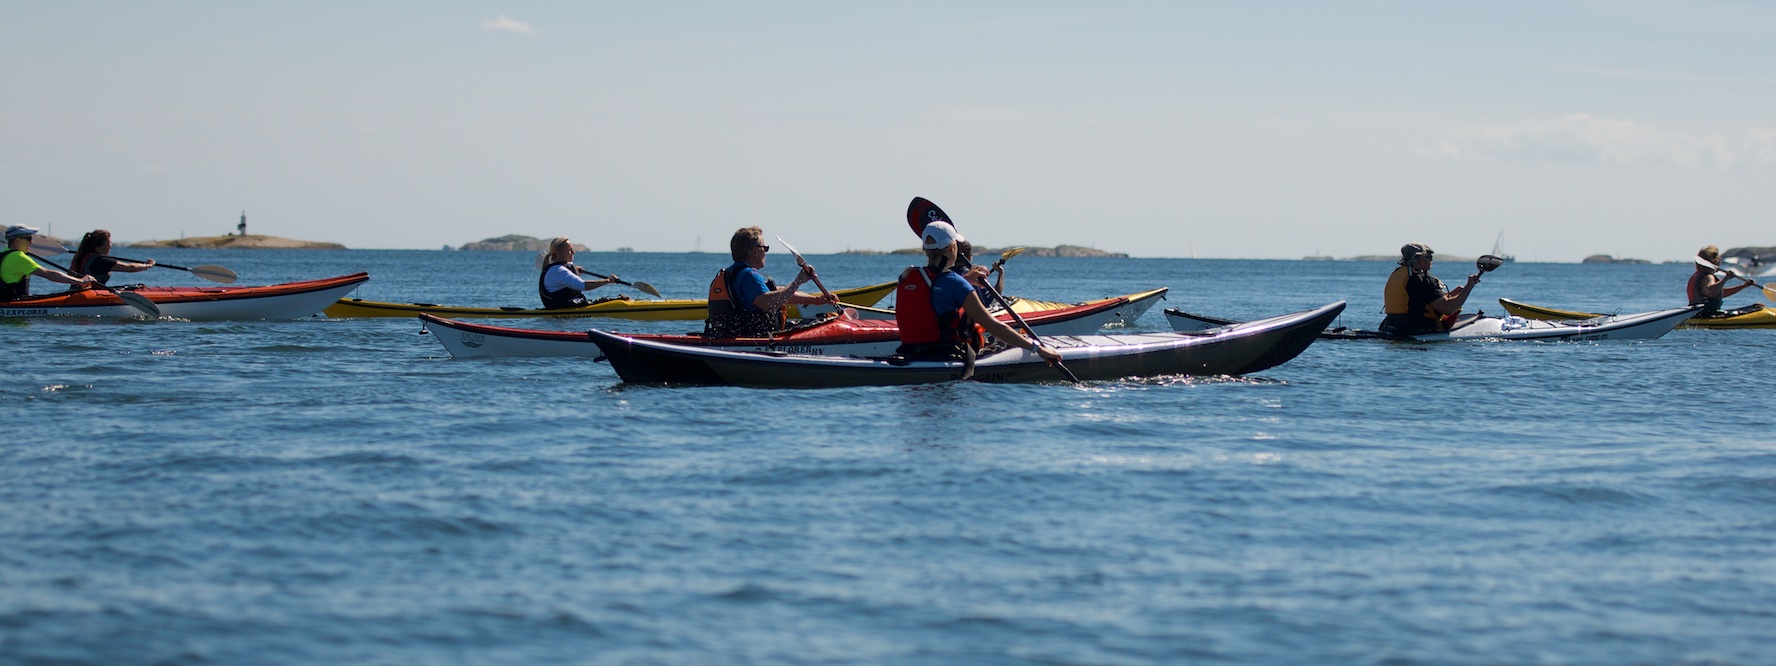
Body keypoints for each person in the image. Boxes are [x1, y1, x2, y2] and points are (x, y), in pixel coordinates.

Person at [895, 221, 1063, 365]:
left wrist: (966, 281)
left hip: (911, 351)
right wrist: (1037, 349)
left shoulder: (908, 275)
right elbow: (994, 326)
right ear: (953, 248)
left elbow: (935, 290)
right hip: (944, 355)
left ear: (925, 249)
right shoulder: (955, 282)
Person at [705, 226, 837, 337]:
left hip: (733, 334)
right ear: (755, 251)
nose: (766, 253)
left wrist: (817, 301)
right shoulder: (750, 276)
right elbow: (769, 303)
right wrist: (798, 281)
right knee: (826, 320)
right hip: (757, 336)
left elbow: (778, 294)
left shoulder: (732, 274)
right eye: (765, 248)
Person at [1378, 242, 1480, 336]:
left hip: (1390, 325)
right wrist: (1469, 286)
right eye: (1429, 257)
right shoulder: (1423, 280)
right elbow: (1448, 309)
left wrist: (1452, 294)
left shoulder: (1398, 274)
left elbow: (1419, 300)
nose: (1431, 261)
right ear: (1421, 259)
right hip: (1417, 329)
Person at [2, 225, 96, 301]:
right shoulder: (19, 257)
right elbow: (50, 275)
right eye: (29, 238)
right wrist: (80, 281)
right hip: (14, 311)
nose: (32, 242)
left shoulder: (4, 254)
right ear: (18, 240)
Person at [537, 237, 618, 309]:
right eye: (570, 250)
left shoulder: (556, 269)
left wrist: (575, 271)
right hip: (561, 309)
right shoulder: (558, 270)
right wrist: (607, 281)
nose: (573, 252)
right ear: (558, 252)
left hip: (565, 306)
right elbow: (582, 285)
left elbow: (564, 280)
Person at [1689, 245, 1756, 318]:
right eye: (1718, 258)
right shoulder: (1708, 277)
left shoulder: (1698, 275)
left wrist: (1743, 286)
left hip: (1698, 314)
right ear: (1714, 261)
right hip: (1707, 315)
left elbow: (1720, 292)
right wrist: (1726, 279)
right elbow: (1710, 292)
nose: (1720, 259)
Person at [68, 230, 154, 286]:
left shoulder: (81, 256)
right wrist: (148, 265)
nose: (110, 246)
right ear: (100, 245)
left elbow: (70, 275)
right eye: (109, 244)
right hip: (89, 297)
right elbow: (131, 268)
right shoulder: (101, 261)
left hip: (75, 293)